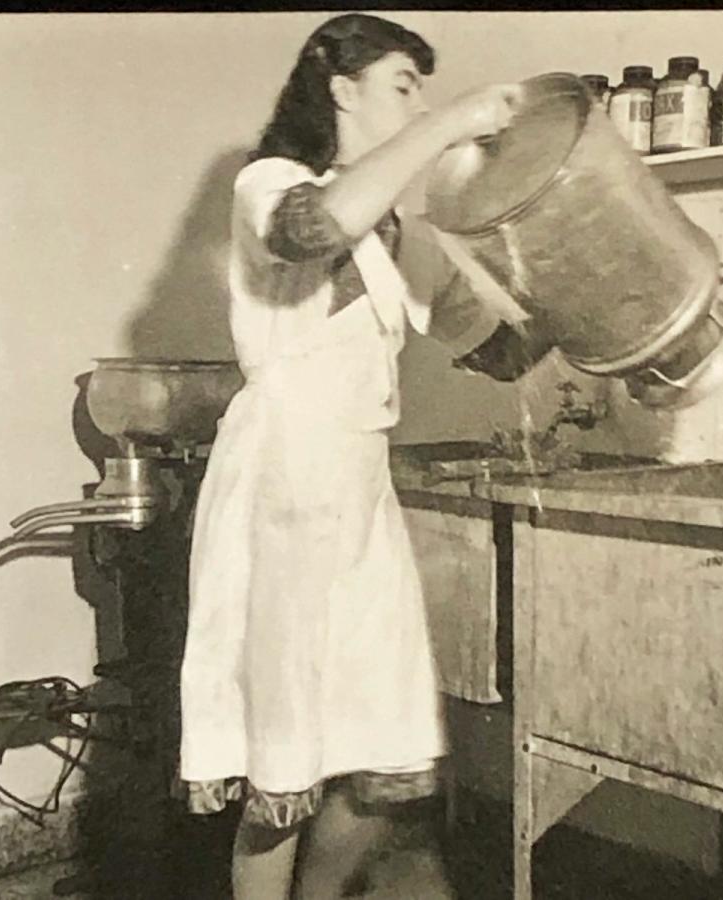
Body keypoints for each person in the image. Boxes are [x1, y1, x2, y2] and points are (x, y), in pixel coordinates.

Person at [179, 13, 548, 899]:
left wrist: (579, 268)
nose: (417, 101)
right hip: (283, 485)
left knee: (382, 760)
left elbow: (502, 350)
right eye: (402, 84)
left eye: (424, 89)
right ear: (340, 89)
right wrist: (450, 121)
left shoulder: (403, 238)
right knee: (283, 769)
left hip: (357, 493)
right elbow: (311, 231)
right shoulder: (271, 183)